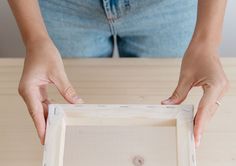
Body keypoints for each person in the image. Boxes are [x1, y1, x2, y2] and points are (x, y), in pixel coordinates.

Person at [8, 0, 229, 146]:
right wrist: (35, 39)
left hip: (167, 7)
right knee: (75, 131)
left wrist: (207, 41)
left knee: (162, 129)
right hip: (62, 7)